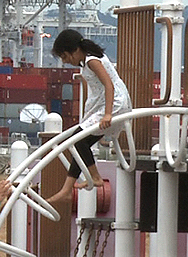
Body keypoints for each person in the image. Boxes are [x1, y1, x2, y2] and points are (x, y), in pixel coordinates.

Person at [48, 29, 132, 203]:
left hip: (114, 104)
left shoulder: (92, 60)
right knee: (80, 144)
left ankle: (95, 177)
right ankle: (67, 189)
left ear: (73, 50)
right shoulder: (87, 60)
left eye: (65, 57)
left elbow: (109, 85)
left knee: (78, 140)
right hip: (106, 105)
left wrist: (107, 114)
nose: (66, 61)